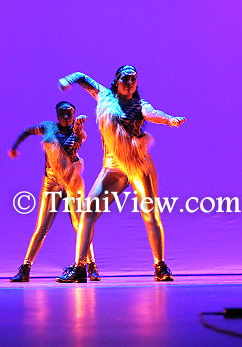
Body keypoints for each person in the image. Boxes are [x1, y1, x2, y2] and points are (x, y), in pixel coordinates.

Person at [56, 66, 186, 283]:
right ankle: (79, 267)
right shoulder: (104, 96)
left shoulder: (139, 105)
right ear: (117, 81)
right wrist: (66, 80)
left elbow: (152, 113)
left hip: (138, 165)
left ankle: (160, 265)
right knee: (87, 213)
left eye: (133, 79)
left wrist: (169, 119)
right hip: (113, 167)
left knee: (150, 214)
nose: (130, 83)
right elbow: (82, 77)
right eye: (126, 78)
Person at [8, 102, 100, 282]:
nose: (66, 116)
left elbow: (79, 135)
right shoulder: (48, 128)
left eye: (69, 113)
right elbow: (28, 130)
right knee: (42, 226)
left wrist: (78, 125)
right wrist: (15, 147)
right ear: (57, 115)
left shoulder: (78, 133)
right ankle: (25, 268)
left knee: (81, 225)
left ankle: (91, 266)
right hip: (51, 182)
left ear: (73, 115)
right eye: (62, 113)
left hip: (72, 182)